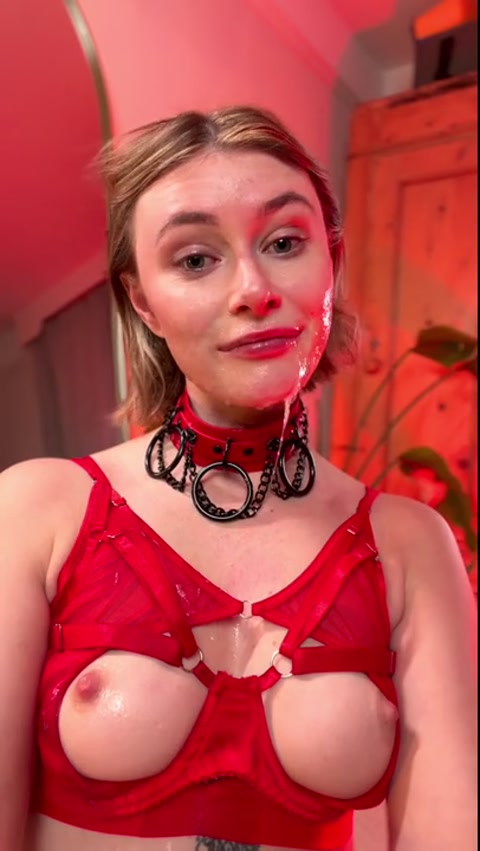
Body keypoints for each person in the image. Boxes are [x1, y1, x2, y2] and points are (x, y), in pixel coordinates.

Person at [0, 106, 476, 851]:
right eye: (195, 259)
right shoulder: (38, 508)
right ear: (143, 302)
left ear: (331, 263)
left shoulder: (412, 547)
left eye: (284, 242)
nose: (253, 288)